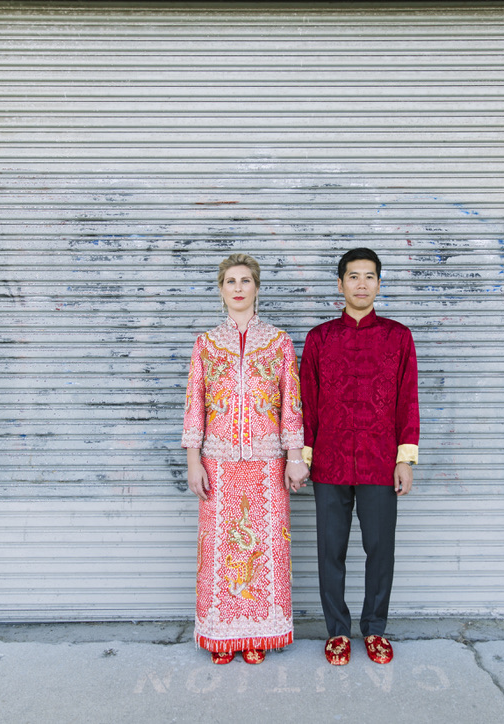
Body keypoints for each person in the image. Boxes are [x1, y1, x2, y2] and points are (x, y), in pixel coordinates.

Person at [182, 253, 310, 665]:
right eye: (230, 281)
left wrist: (294, 458)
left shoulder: (279, 342)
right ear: (221, 291)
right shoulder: (205, 344)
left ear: (256, 288)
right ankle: (222, 636)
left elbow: (292, 404)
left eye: (245, 280)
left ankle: (258, 635)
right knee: (219, 550)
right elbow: (194, 406)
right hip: (218, 463)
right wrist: (193, 461)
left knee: (264, 549)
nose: (238, 287)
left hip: (266, 464)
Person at [300, 247, 420, 666]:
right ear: (340, 284)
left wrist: (405, 458)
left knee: (379, 549)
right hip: (330, 462)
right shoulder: (320, 339)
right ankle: (337, 631)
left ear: (379, 285)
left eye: (370, 276)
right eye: (353, 276)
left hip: (379, 460)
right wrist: (303, 457)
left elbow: (408, 401)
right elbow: (307, 405)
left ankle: (374, 629)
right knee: (330, 550)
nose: (362, 284)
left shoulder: (397, 337)